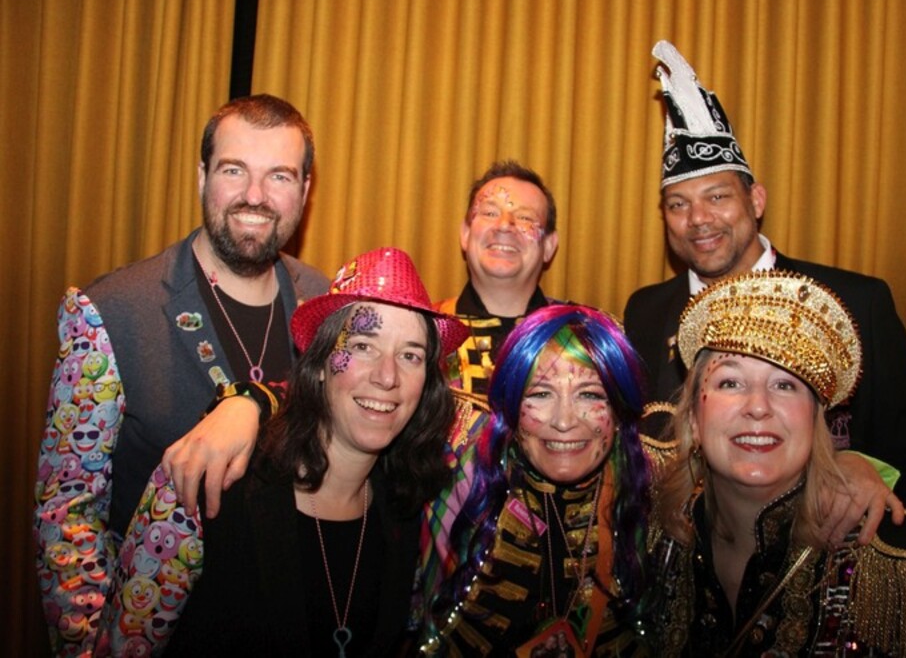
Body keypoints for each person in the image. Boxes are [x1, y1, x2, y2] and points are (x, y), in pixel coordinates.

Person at [33, 93, 329, 655]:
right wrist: (91, 645)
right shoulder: (111, 311)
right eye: (234, 170)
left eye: (280, 176)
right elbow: (67, 513)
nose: (255, 195)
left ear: (305, 190)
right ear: (202, 177)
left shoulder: (325, 302)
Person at [623, 40, 906, 519]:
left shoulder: (856, 302)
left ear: (755, 201)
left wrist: (868, 478)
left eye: (717, 197)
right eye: (678, 204)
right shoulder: (646, 311)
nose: (698, 219)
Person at [97, 247, 469, 656]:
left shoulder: (407, 506)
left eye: (411, 355)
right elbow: (123, 644)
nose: (387, 376)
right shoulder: (208, 479)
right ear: (321, 362)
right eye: (363, 346)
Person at [646, 270, 906, 656]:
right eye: (730, 383)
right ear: (693, 417)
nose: (757, 406)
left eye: (785, 385)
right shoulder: (654, 540)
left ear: (815, 421)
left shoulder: (900, 572)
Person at [418, 304, 671, 656]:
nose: (564, 421)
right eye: (540, 394)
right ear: (511, 407)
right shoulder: (466, 483)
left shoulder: (650, 494)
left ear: (618, 410)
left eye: (590, 394)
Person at [436, 160, 561, 400]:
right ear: (465, 234)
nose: (504, 225)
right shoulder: (426, 334)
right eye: (490, 213)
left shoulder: (581, 337)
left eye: (525, 217)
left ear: (549, 245)